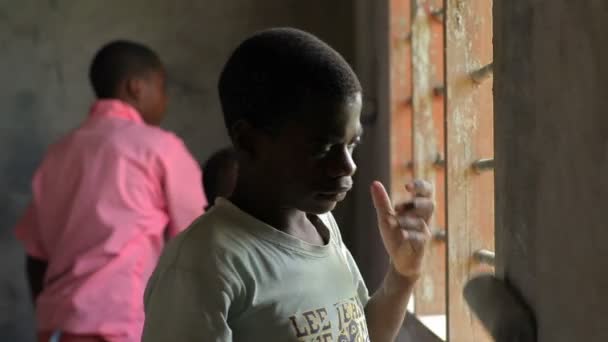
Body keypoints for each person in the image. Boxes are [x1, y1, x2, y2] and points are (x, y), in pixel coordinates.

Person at [142, 28, 433, 342]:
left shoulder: (322, 227)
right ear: (248, 141)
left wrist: (403, 275)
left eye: (352, 144)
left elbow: (364, 335)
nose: (348, 165)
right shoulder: (205, 262)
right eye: (322, 148)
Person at [14, 40, 207, 342]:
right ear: (136, 87)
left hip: (57, 328)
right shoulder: (158, 148)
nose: (166, 100)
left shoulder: (59, 152)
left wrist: (52, 312)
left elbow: (35, 256)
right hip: (120, 326)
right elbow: (201, 239)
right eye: (162, 87)